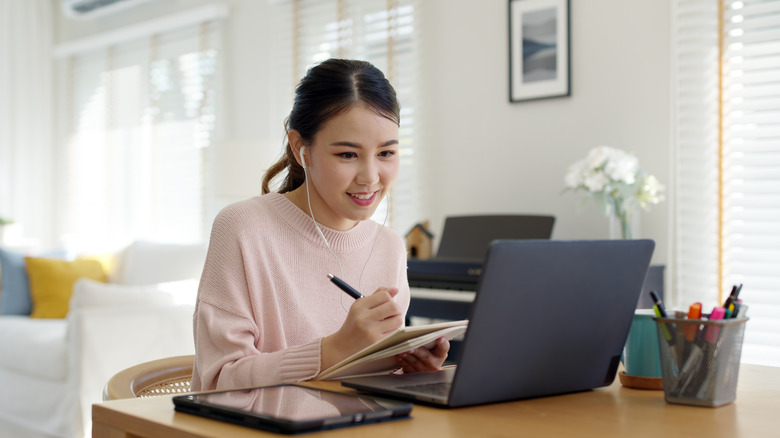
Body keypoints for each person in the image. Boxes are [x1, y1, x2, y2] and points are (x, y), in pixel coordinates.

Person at [192, 58, 450, 391]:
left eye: (386, 153)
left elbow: (364, 389)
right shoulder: (243, 227)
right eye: (347, 154)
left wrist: (410, 372)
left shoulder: (389, 246)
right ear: (302, 149)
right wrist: (334, 350)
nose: (371, 178)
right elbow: (217, 381)